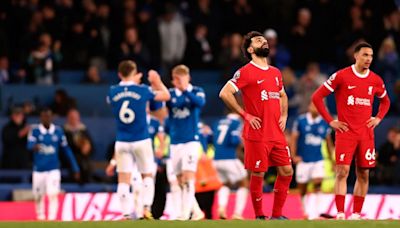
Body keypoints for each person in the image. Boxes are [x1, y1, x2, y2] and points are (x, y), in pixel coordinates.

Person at [219, 31, 293, 220]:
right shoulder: (245, 71)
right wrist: (245, 114)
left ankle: (277, 215)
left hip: (276, 133)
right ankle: (259, 215)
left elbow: (282, 94)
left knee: (287, 171)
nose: (264, 41)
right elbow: (225, 93)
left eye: (265, 40)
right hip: (257, 132)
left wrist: (284, 114)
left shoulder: (276, 72)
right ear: (251, 49)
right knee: (258, 172)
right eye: (259, 40)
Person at [312, 42, 391, 220]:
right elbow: (317, 97)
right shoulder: (342, 76)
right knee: (342, 172)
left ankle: (356, 214)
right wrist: (331, 121)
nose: (368, 59)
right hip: (345, 133)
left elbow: (386, 101)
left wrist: (378, 118)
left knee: (363, 173)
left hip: (366, 134)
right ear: (355, 56)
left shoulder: (376, 80)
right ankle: (340, 213)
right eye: (364, 55)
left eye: (371, 55)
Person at [107, 60, 170, 220]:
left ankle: (126, 214)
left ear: (119, 74)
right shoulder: (143, 90)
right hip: (141, 140)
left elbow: (115, 100)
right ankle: (146, 209)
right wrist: (157, 81)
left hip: (122, 141)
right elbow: (166, 96)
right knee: (147, 176)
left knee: (123, 180)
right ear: (135, 73)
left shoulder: (112, 91)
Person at [166, 64, 206, 220]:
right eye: (176, 79)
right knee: (178, 180)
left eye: (182, 78)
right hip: (175, 142)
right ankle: (196, 211)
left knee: (189, 177)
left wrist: (185, 90)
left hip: (191, 141)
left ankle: (184, 214)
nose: (179, 82)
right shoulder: (170, 95)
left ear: (188, 78)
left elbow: (200, 103)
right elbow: (158, 104)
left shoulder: (196, 91)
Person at [27, 108, 80, 221]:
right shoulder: (35, 131)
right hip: (39, 169)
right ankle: (40, 217)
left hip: (53, 169)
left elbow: (67, 150)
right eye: (44, 116)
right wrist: (34, 147)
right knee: (38, 196)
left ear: (52, 117)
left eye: (48, 116)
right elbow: (29, 145)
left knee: (53, 194)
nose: (46, 118)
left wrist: (75, 167)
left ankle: (52, 219)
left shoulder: (58, 131)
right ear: (41, 118)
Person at [290, 102, 334, 219]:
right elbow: (294, 139)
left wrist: (331, 159)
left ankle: (319, 212)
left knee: (318, 183)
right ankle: (306, 212)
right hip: (303, 160)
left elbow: (328, 142)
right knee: (302, 188)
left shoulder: (324, 123)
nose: (317, 108)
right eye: (314, 106)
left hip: (318, 159)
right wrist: (293, 156)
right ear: (309, 107)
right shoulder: (300, 120)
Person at [212, 112, 248, 220]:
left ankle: (222, 207)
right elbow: (234, 140)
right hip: (229, 158)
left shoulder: (217, 122)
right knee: (244, 183)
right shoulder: (236, 122)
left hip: (216, 159)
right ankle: (237, 213)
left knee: (225, 184)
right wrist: (242, 143)